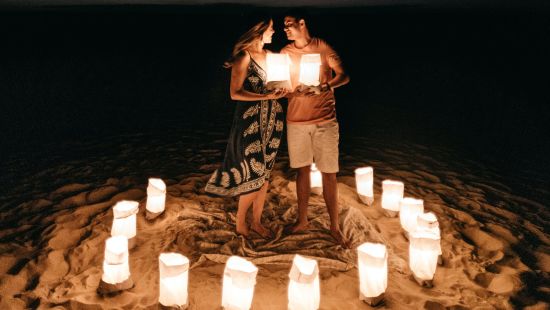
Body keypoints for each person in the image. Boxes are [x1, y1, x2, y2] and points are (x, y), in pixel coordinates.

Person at [205, 18, 288, 239]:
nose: (274, 31)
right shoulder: (244, 57)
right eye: (270, 28)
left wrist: (284, 90)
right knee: (255, 171)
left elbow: (280, 84)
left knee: (265, 174)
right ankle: (241, 223)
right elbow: (235, 93)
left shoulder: (272, 57)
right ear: (259, 30)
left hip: (273, 119)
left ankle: (257, 222)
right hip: (250, 121)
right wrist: (266, 95)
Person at [281, 9, 351, 248]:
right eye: (283, 26)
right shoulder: (285, 53)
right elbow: (282, 87)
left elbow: (344, 75)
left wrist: (323, 87)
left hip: (325, 121)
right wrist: (291, 91)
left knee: (329, 174)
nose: (286, 29)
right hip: (296, 121)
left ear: (302, 23)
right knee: (301, 171)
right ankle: (302, 220)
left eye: (289, 24)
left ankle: (334, 226)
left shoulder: (323, 47)